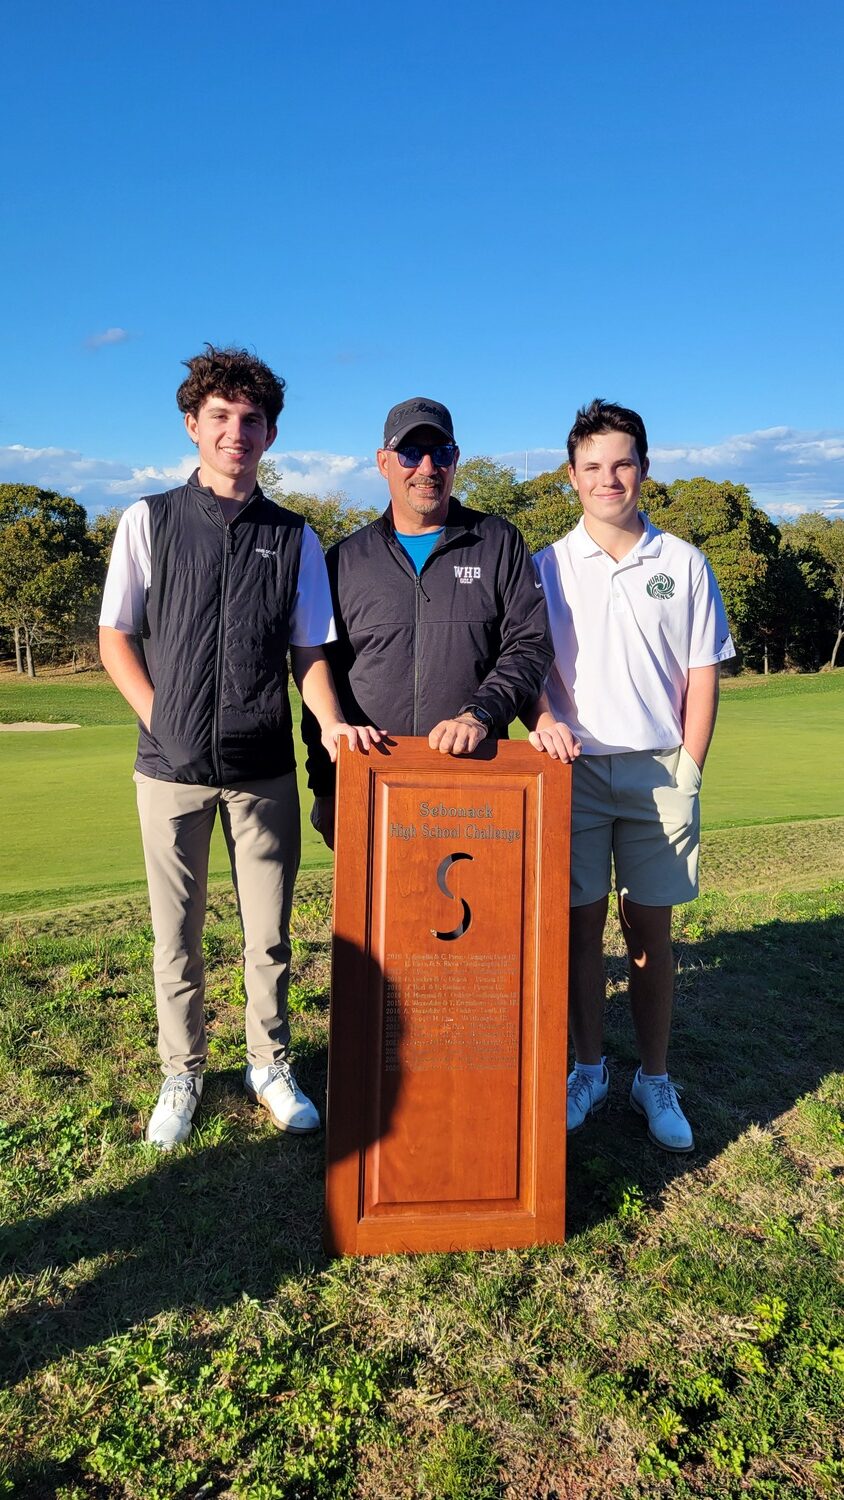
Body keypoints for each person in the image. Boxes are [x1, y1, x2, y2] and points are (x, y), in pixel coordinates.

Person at [99, 345, 379, 1149]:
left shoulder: (294, 537)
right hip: (169, 770)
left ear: (270, 434)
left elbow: (309, 653)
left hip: (262, 770)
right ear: (193, 425)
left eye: (251, 419)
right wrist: (163, 719)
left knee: (269, 937)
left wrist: (328, 722)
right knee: (176, 938)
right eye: (219, 417)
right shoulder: (147, 519)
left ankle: (268, 1063)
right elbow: (116, 635)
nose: (236, 432)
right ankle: (182, 1072)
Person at [527, 399, 735, 1152]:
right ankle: (590, 1068)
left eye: (622, 464)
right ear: (571, 476)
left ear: (642, 469)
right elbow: (533, 669)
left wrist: (691, 765)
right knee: (580, 932)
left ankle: (653, 1076)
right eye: (592, 467)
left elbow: (702, 670)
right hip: (572, 771)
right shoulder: (544, 565)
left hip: (659, 770)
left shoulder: (681, 562)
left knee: (650, 932)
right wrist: (544, 720)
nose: (608, 479)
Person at [305, 396, 553, 839]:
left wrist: (478, 714)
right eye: (409, 453)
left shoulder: (497, 541)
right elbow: (322, 671)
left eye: (440, 453)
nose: (426, 467)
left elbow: (529, 645)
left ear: (455, 460)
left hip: (478, 778)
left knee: (481, 906)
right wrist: (324, 787)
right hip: (374, 780)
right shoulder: (344, 559)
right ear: (384, 462)